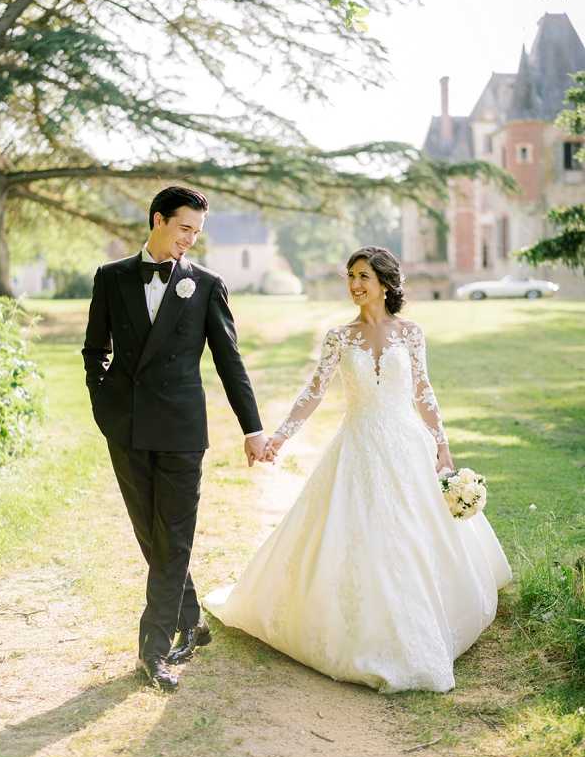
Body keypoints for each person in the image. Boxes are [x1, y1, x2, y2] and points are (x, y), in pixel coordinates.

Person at [205, 246, 512, 693]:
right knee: (357, 533)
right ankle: (362, 633)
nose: (355, 285)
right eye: (350, 276)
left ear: (386, 282)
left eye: (363, 276)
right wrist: (279, 437)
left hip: (407, 445)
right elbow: (313, 392)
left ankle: (420, 625)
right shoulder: (339, 337)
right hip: (358, 447)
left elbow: (424, 390)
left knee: (411, 533)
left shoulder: (411, 333)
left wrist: (442, 447)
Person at [82, 186, 271, 692]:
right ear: (158, 219)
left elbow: (230, 362)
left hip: (182, 431)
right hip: (125, 427)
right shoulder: (112, 277)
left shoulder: (206, 285)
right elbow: (94, 349)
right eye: (184, 228)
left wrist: (252, 428)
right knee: (152, 535)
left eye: (198, 233)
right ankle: (193, 619)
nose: (191, 240)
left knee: (174, 540)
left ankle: (154, 648)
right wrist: (104, 406)